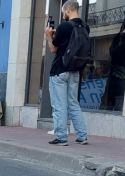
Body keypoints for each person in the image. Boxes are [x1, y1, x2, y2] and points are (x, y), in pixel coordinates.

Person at [45, 0, 89, 145]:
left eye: (64, 11)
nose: (64, 14)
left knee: (59, 105)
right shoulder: (85, 27)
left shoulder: (64, 26)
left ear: (68, 10)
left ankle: (61, 137)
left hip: (60, 71)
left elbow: (53, 49)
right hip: (75, 70)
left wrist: (49, 35)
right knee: (73, 104)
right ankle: (82, 136)